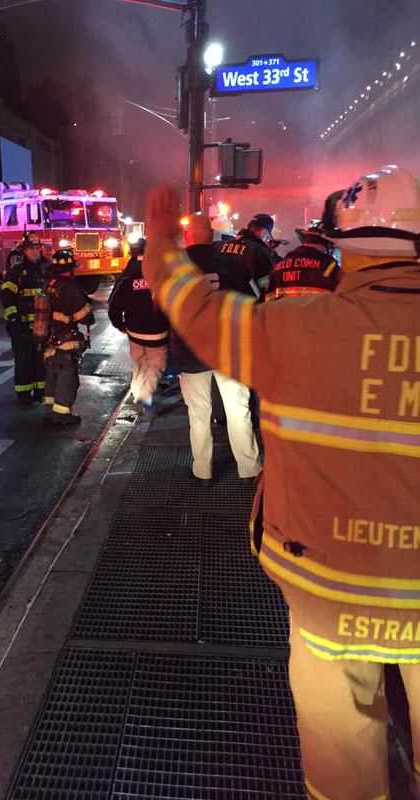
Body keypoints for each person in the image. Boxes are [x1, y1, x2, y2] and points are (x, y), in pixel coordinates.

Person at [142, 168, 420, 800]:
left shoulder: (294, 332)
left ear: (341, 244)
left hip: (329, 590)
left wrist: (162, 244)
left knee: (342, 755)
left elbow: (197, 310)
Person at [173, 213, 260, 485]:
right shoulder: (230, 265)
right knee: (238, 410)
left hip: (189, 351)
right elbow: (252, 303)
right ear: (211, 236)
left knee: (198, 414)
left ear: (188, 236)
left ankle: (203, 472)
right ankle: (249, 470)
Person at [108, 238, 168, 415]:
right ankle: (145, 396)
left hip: (134, 332)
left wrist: (121, 325)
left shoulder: (126, 276)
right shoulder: (161, 274)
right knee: (156, 365)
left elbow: (113, 305)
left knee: (139, 364)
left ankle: (137, 393)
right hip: (157, 332)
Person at [43, 249, 94, 425]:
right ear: (70, 269)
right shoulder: (70, 289)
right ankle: (62, 414)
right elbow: (86, 316)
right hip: (66, 340)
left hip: (50, 340)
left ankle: (50, 410)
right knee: (67, 378)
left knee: (52, 375)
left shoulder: (50, 284)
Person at [1, 232, 47, 404]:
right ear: (24, 250)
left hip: (42, 326)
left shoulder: (46, 270)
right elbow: (7, 296)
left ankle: (40, 391)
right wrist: (13, 319)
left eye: (37, 248)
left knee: (41, 361)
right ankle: (24, 394)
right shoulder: (17, 272)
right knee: (24, 361)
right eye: (31, 248)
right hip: (21, 326)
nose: (35, 251)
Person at [266, 224, 340, 302]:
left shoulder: (278, 267)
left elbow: (268, 300)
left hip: (283, 313)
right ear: (323, 245)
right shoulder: (329, 265)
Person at [215, 212, 276, 298]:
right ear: (263, 231)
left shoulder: (222, 245)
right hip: (245, 305)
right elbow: (267, 288)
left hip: (221, 302)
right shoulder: (259, 251)